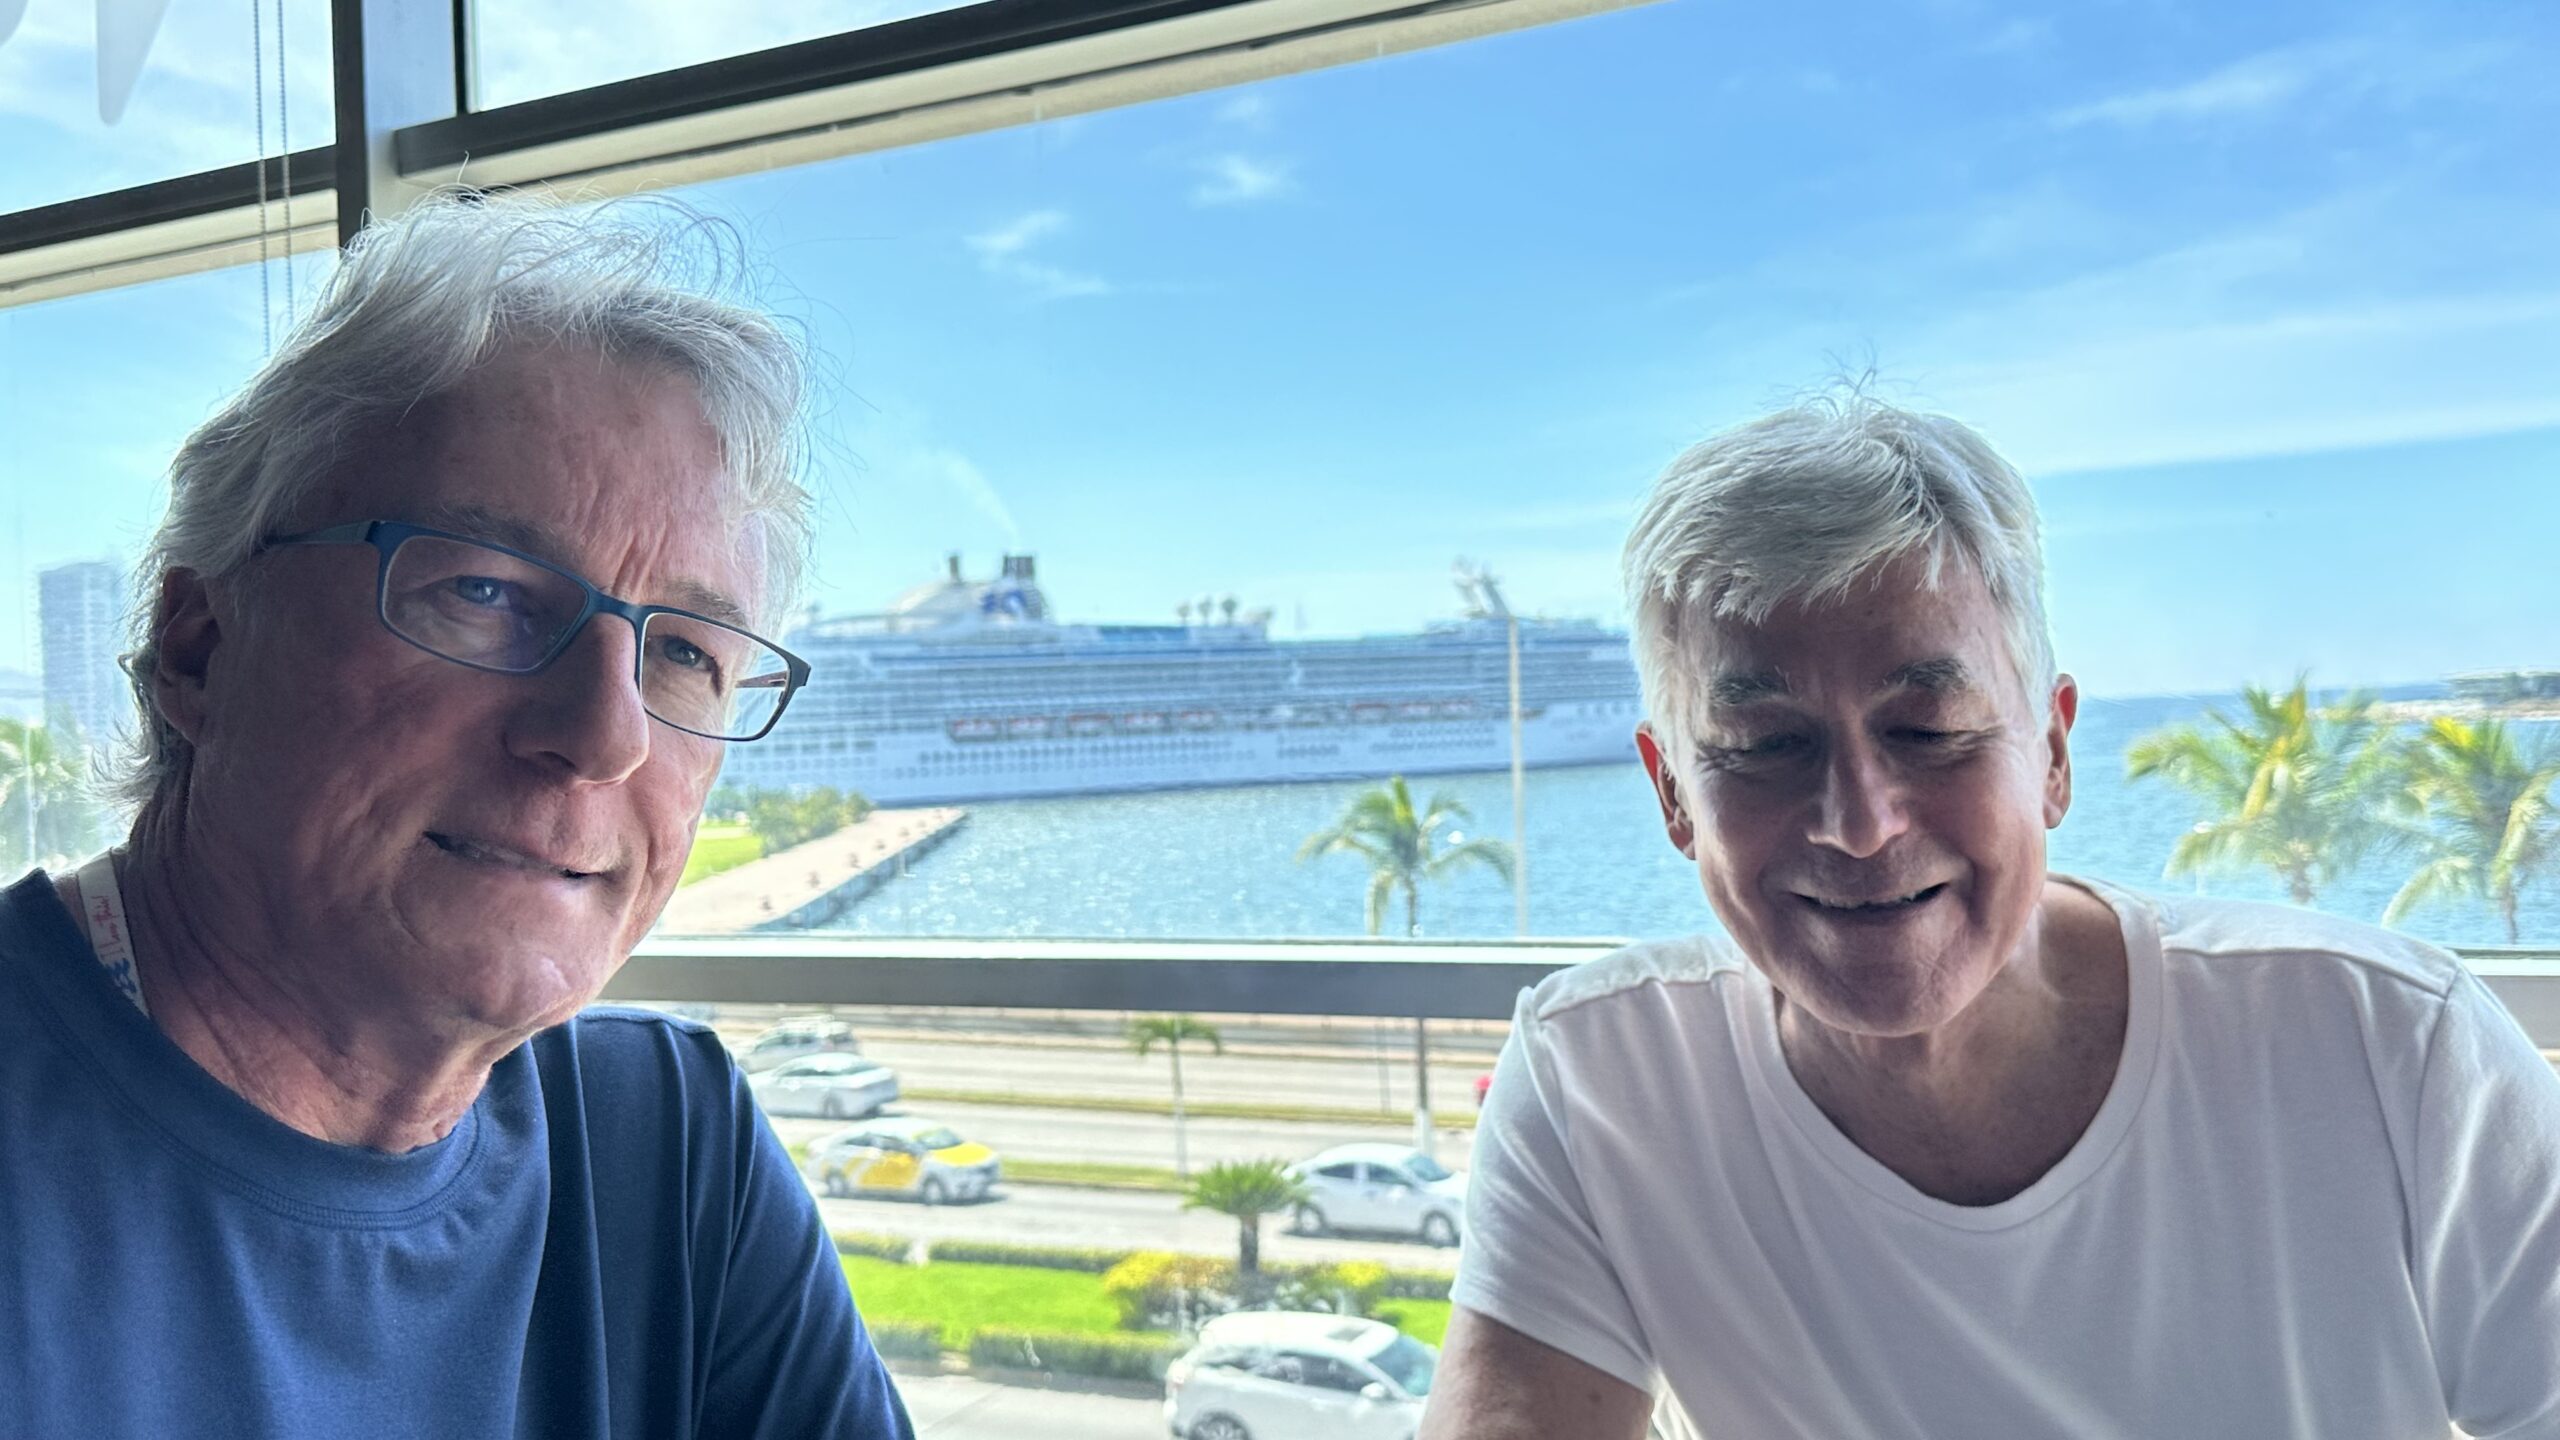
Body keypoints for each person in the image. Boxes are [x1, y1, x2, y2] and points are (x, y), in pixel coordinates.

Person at [1421, 394, 2560, 1438]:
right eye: (1765, 746)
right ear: (1674, 794)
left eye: (1929, 731)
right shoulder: (1602, 1081)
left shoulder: (2387, 1045)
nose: (1858, 824)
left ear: (2052, 753)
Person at [0, 193, 914, 1438]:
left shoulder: (660, 1143)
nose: (604, 737)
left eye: (685, 655)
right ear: (200, 647)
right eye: (483, 593)